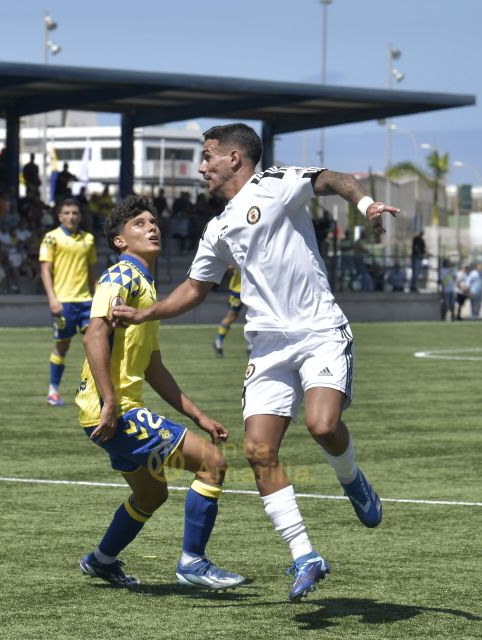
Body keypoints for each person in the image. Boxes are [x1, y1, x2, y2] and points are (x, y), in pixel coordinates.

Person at [113, 123, 397, 601]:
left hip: (320, 331)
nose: (201, 167)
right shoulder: (218, 227)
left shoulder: (276, 184)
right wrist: (146, 312)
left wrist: (366, 204)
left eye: (207, 157)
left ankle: (353, 481)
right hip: (267, 348)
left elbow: (334, 179)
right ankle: (305, 555)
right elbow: (194, 290)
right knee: (258, 451)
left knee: (323, 426)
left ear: (234, 159)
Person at [76, 194, 246, 590]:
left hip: (104, 412)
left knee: (151, 495)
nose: (152, 227)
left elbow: (153, 367)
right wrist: (112, 401)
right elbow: (93, 335)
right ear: (120, 241)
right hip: (115, 412)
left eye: (154, 222)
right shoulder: (122, 276)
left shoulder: (144, 284)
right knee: (213, 464)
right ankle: (193, 562)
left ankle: (101, 560)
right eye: (139, 224)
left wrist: (198, 415)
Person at [39, 198, 97, 406]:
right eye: (67, 213)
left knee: (96, 345)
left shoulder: (88, 239)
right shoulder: (51, 238)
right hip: (64, 302)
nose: (71, 216)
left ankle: (93, 390)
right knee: (62, 346)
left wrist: (100, 296)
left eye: (75, 213)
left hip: (87, 302)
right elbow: (45, 270)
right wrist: (52, 299)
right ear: (59, 216)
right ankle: (53, 391)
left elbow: (91, 272)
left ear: (80, 216)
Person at [213, 267, 245, 357]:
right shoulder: (241, 254)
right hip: (238, 290)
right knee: (231, 316)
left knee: (257, 316)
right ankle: (218, 342)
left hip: (254, 290)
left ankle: (252, 345)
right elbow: (229, 267)